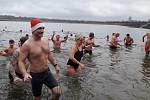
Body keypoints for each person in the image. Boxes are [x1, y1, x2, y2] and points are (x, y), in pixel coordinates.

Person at [18, 18, 61, 100]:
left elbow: (48, 54)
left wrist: (55, 65)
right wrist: (25, 74)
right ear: (33, 30)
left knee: (57, 92)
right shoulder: (27, 45)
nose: (42, 30)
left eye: (43, 28)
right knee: (37, 97)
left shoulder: (45, 40)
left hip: (46, 72)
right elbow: (20, 61)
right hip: (36, 75)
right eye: (39, 28)